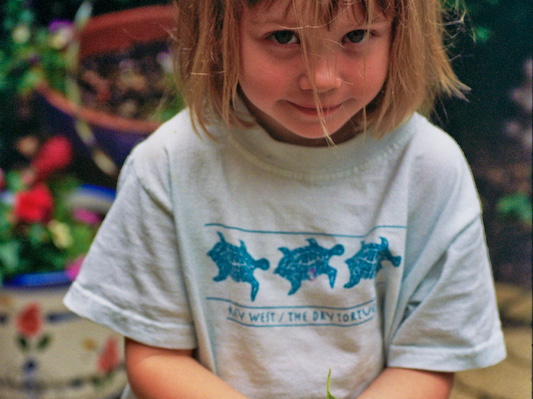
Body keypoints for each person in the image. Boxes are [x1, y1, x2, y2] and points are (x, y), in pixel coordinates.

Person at [64, 0, 507, 397]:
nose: (322, 79)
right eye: (283, 37)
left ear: (401, 33)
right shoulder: (169, 166)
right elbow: (157, 358)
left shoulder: (431, 171)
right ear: (218, 34)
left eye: (356, 36)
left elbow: (428, 359)